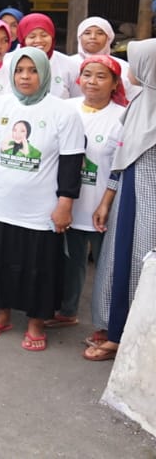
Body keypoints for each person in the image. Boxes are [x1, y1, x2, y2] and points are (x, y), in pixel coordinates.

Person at [0, 48, 85, 352]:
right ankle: (2, 315)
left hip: (40, 210)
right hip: (1, 203)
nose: (25, 76)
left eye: (32, 70)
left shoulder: (63, 112)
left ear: (44, 74)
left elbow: (71, 163)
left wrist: (65, 203)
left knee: (39, 266)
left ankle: (36, 322)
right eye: (20, 70)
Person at [45, 56, 125, 335]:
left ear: (115, 83)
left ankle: (107, 326)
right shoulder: (65, 109)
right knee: (70, 261)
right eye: (87, 75)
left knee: (107, 268)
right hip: (66, 203)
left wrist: (105, 203)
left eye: (101, 76)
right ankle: (67, 311)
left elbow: (119, 167)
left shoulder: (121, 116)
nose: (92, 81)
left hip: (101, 206)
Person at [87, 39, 156, 362]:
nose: (131, 69)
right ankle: (117, 332)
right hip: (129, 198)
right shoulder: (140, 103)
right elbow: (121, 156)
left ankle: (139, 340)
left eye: (137, 62)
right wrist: (106, 201)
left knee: (145, 268)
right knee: (119, 262)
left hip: (151, 206)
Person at [16, 13, 78, 99]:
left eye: (44, 35)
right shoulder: (10, 64)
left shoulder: (70, 65)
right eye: (32, 36)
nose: (38, 40)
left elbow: (77, 100)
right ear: (23, 39)